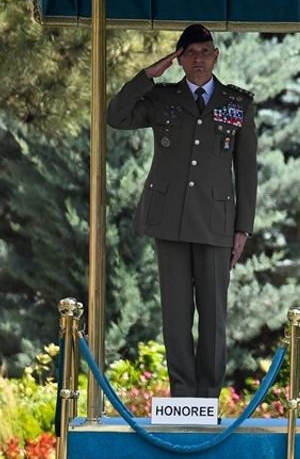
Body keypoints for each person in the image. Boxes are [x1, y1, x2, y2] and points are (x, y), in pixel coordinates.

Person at [106, 23, 257, 401]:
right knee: (175, 318)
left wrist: (243, 229)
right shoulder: (163, 98)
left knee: (213, 318)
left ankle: (206, 400)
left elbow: (247, 169)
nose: (199, 59)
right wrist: (148, 75)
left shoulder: (236, 103)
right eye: (190, 53)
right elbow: (117, 116)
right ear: (180, 58)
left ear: (216, 55)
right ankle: (183, 398)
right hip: (169, 221)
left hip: (215, 224)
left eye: (205, 51)